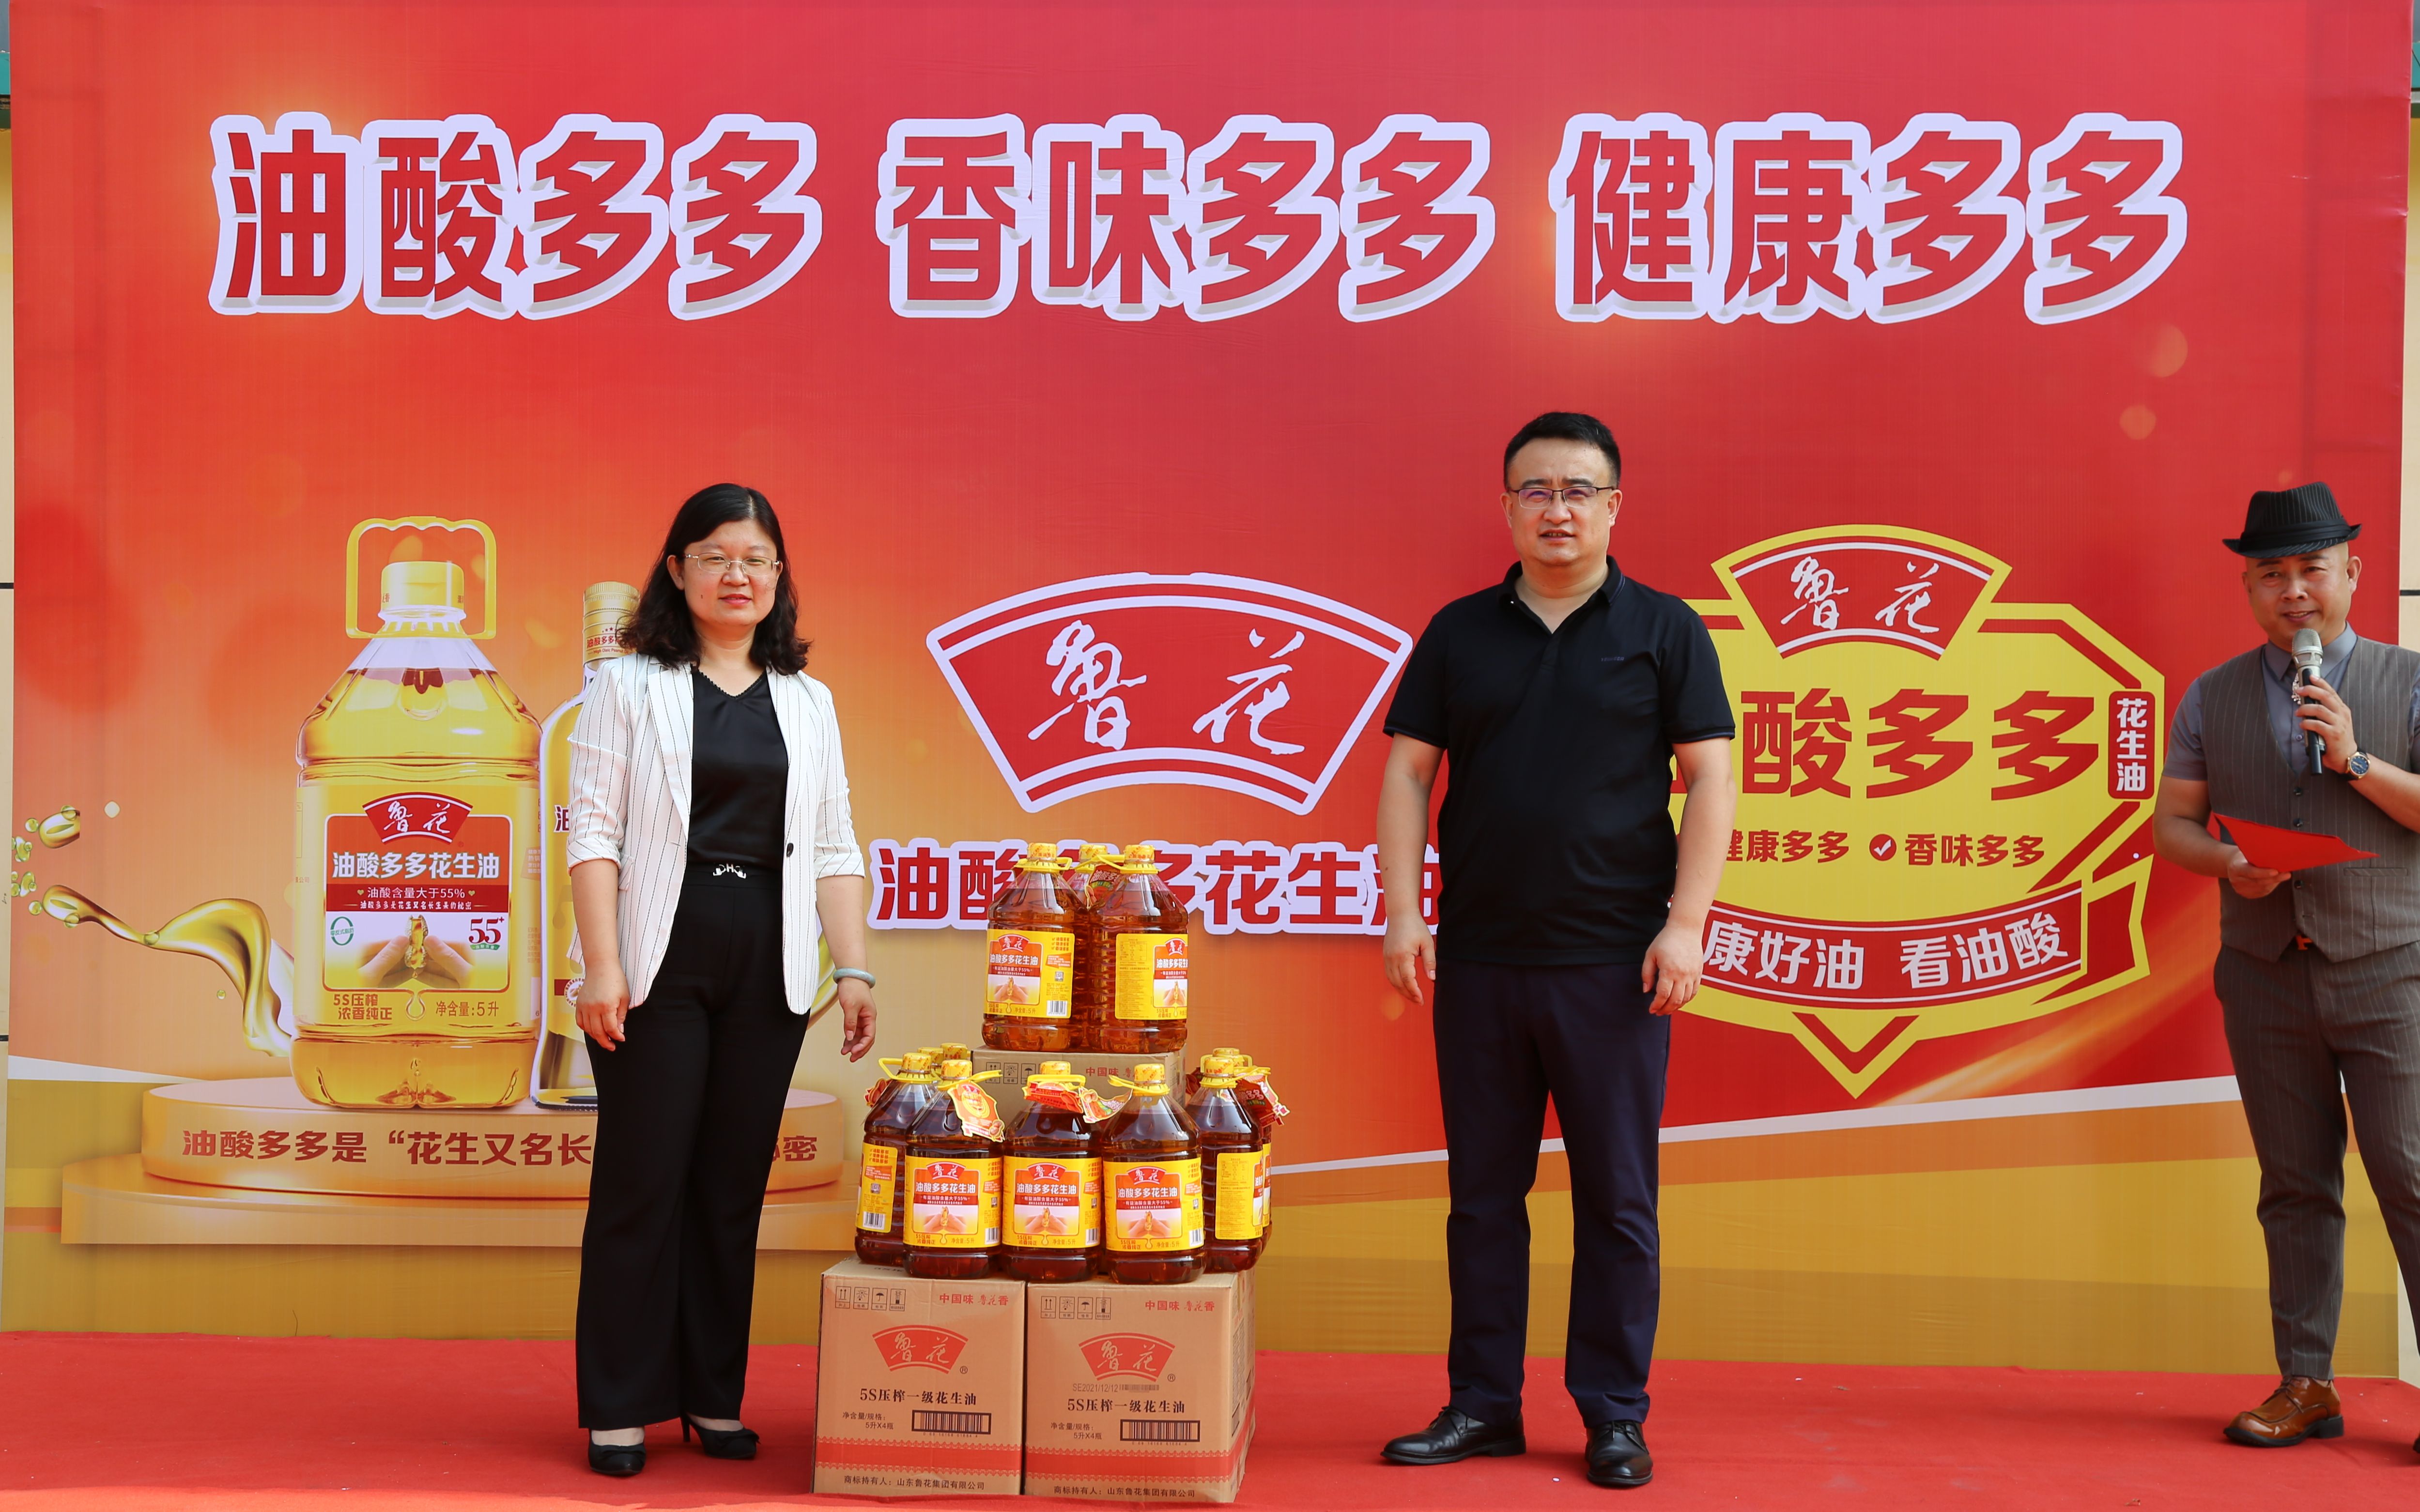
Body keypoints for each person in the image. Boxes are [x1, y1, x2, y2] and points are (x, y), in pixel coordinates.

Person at [1373, 412, 1735, 1491]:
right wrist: (1404, 912)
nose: (1557, 510)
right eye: (1536, 490)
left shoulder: (1665, 629)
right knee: (1483, 1196)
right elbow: (1407, 774)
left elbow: (1711, 777)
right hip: (1481, 959)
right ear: (1507, 507)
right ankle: (1482, 1403)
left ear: (1614, 506)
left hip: (1614, 964)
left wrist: (1686, 922)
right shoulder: (1459, 632)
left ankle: (1614, 1413)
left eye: (1579, 490)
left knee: (1617, 1201)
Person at [567, 483, 878, 1476]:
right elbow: (592, 833)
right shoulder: (628, 684)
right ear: (676, 570)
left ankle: (711, 1395)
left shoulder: (809, 700)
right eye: (715, 556)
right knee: (642, 1179)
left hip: (769, 960)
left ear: (779, 576)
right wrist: (603, 966)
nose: (737, 575)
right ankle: (621, 1404)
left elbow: (834, 843)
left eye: (757, 559)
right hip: (657, 955)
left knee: (731, 1186)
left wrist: (853, 966)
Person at [2151, 482, 2420, 1451]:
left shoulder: (2408, 680)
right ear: (2249, 588)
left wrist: (2354, 759)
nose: (2294, 590)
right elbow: (2172, 823)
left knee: (2411, 1173)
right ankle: (2306, 1381)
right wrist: (2228, 863)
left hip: (2391, 968)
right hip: (2265, 968)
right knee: (2294, 1181)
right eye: (2272, 574)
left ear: (2353, 572)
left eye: (2313, 569)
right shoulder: (2211, 694)